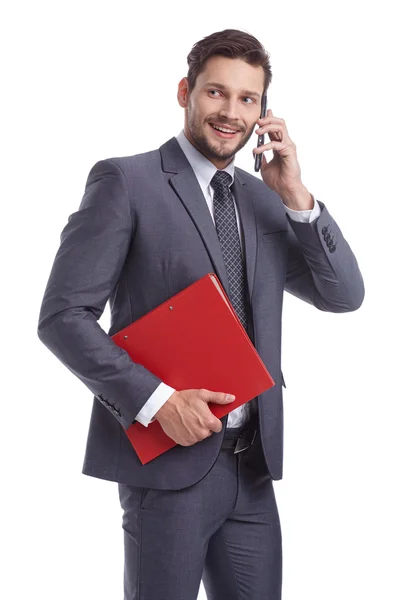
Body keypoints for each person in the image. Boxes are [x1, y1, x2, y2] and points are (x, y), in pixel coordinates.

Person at [37, 28, 364, 600]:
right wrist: (158, 402)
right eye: (216, 93)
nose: (230, 112)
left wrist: (296, 196)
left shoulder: (264, 198)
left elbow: (342, 295)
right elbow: (63, 316)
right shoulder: (126, 182)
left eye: (248, 99)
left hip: (254, 470)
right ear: (186, 91)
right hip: (168, 470)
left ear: (263, 111)